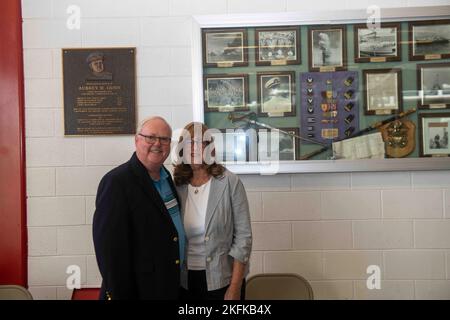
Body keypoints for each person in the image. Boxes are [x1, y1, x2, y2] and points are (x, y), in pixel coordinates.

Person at [93, 116, 186, 300]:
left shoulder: (167, 179)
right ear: (137, 140)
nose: (157, 144)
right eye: (150, 137)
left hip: (168, 287)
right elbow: (109, 253)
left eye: (164, 139)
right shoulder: (117, 183)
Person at [173, 122, 252, 300]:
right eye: (188, 143)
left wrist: (235, 287)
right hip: (185, 280)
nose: (194, 148)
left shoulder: (230, 182)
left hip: (223, 280)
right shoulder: (176, 185)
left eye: (200, 142)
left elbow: (244, 238)